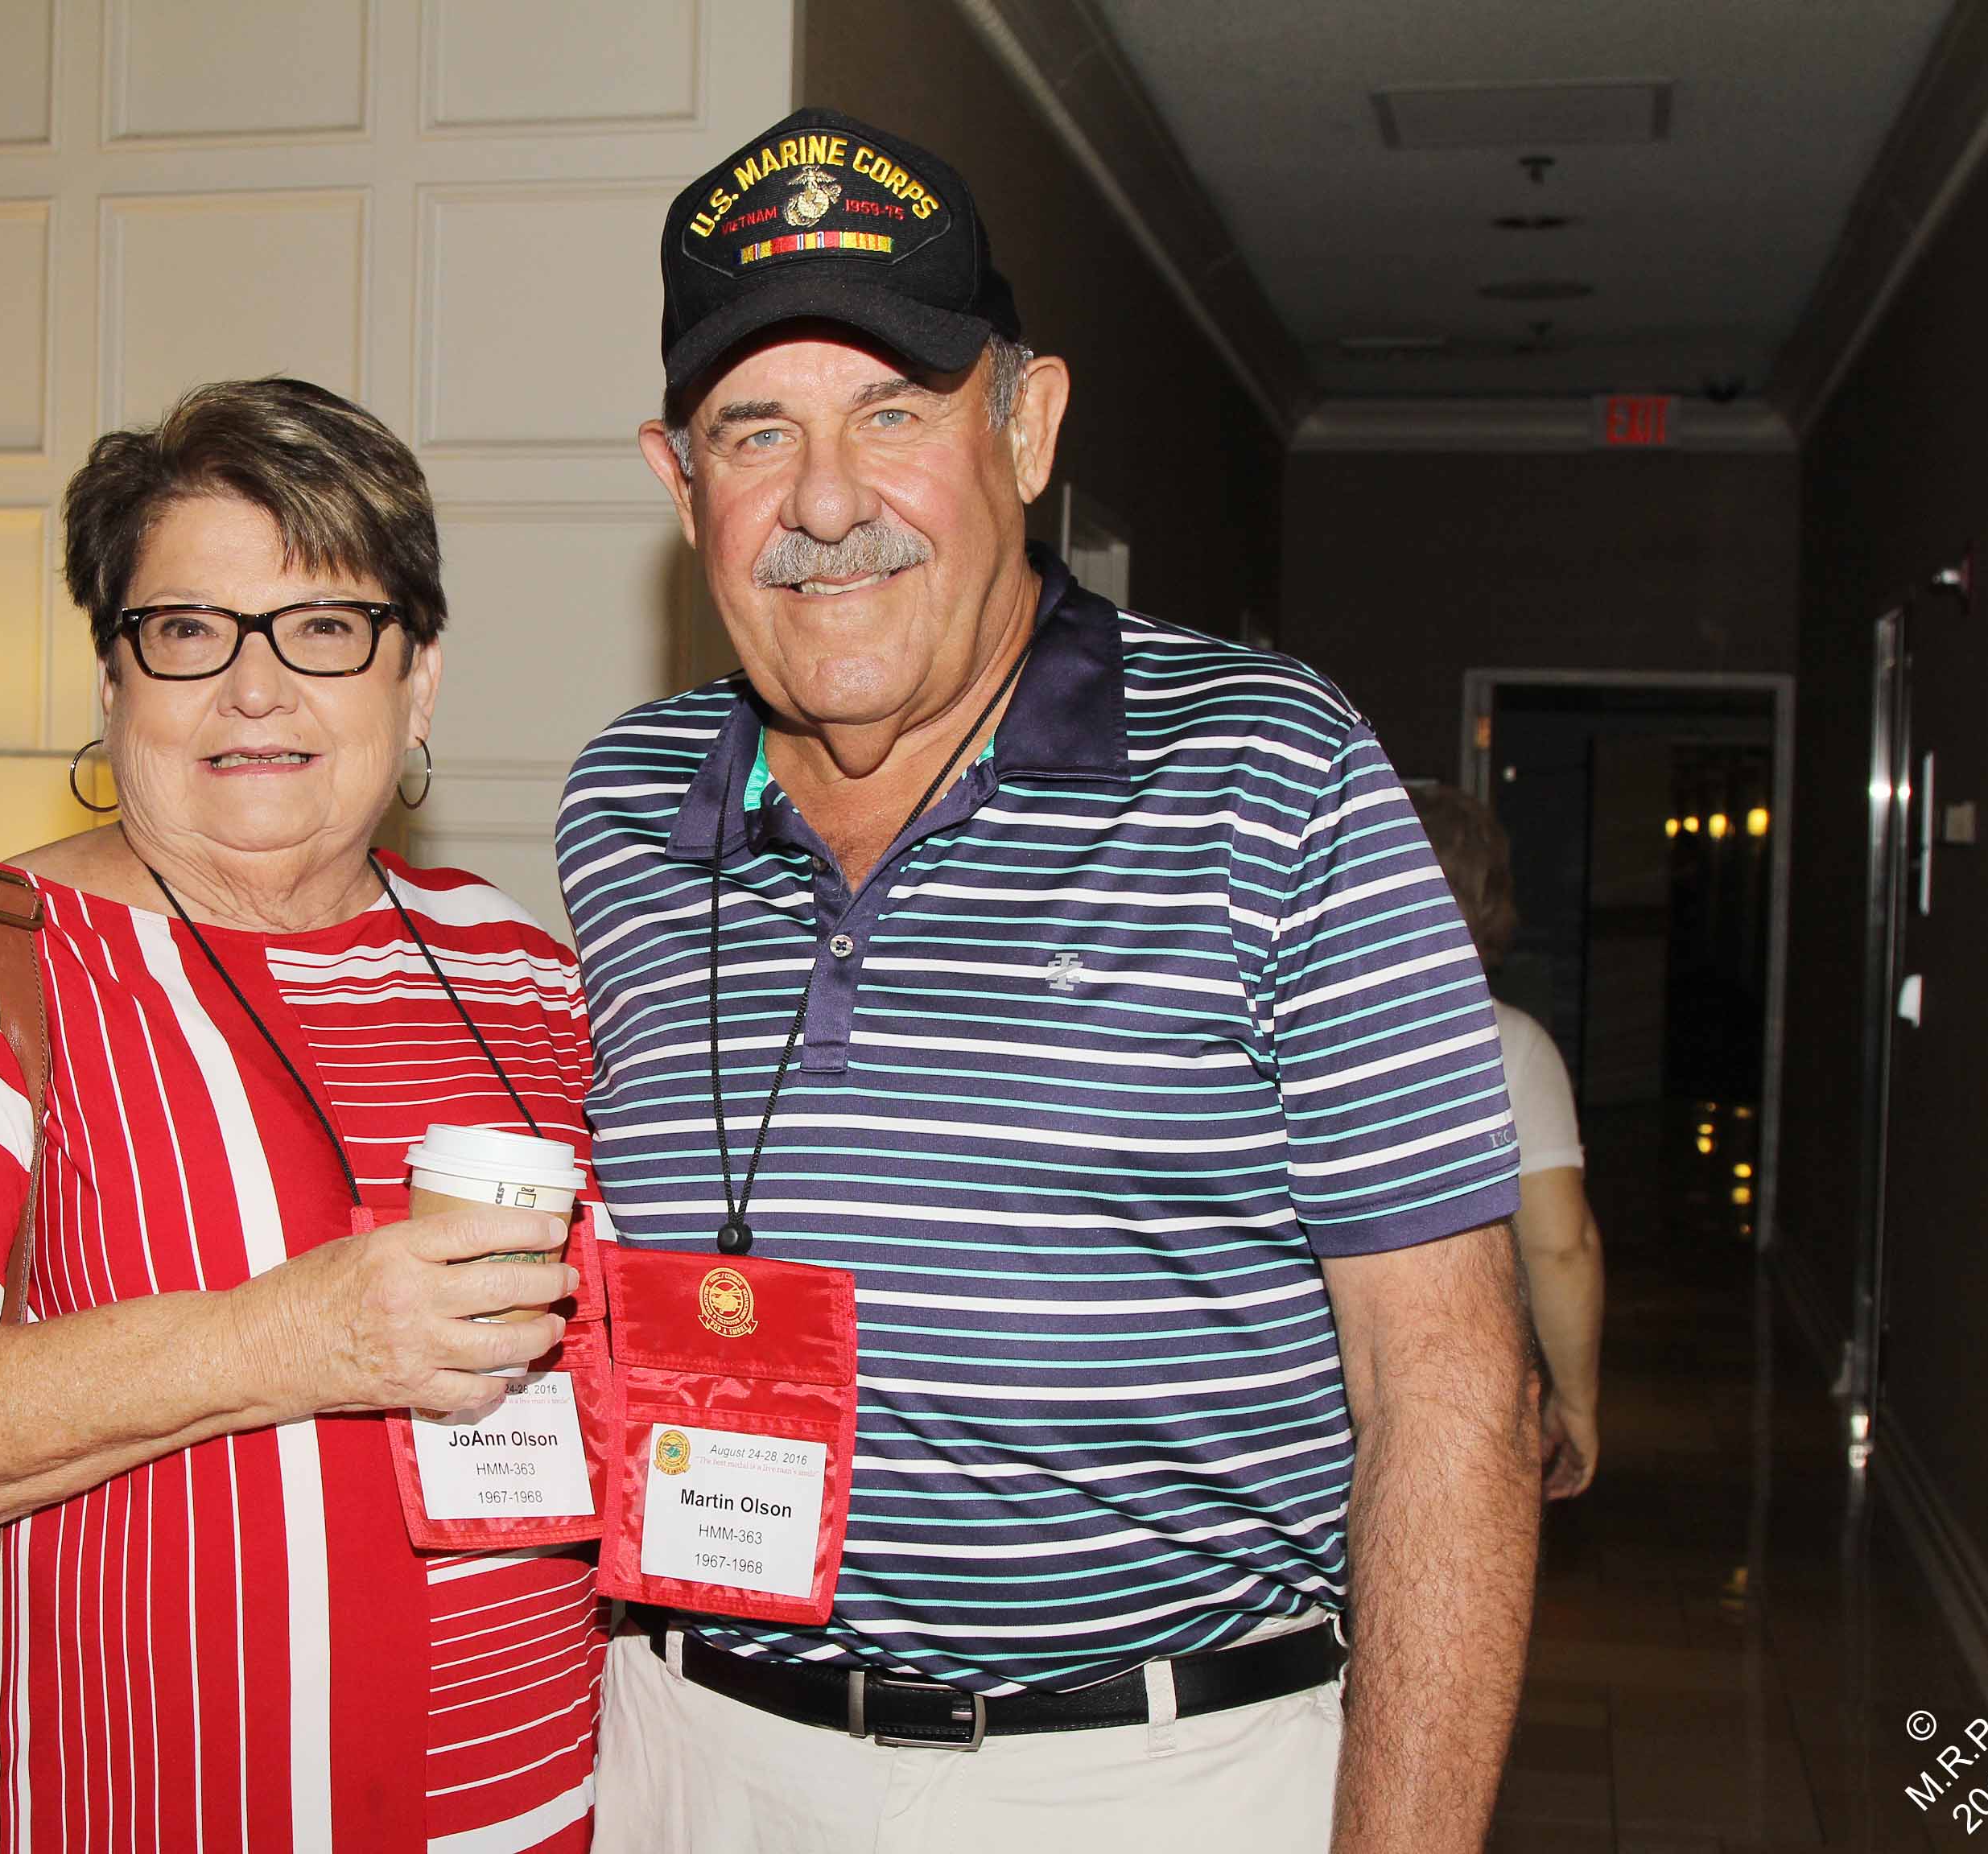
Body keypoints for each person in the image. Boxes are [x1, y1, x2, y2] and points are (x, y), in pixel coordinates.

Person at [556, 109, 1539, 1852]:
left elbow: (1449, 1388)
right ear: (676, 476)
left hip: (1148, 1781)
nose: (826, 502)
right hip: (695, 1758)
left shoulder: (1270, 774)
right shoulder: (622, 808)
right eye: (756, 430)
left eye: (894, 410)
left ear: (1024, 426)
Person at [0, 377, 606, 1852]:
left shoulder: (521, 969)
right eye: (188, 631)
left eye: (325, 627)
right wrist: (288, 1338)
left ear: (418, 679)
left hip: (534, 1811)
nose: (256, 689)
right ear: (114, 683)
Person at [1413, 783, 1604, 1499]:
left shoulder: (1264, 1031)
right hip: (1448, 1403)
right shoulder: (1510, 1048)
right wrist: (1577, 1402)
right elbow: (1559, 1247)